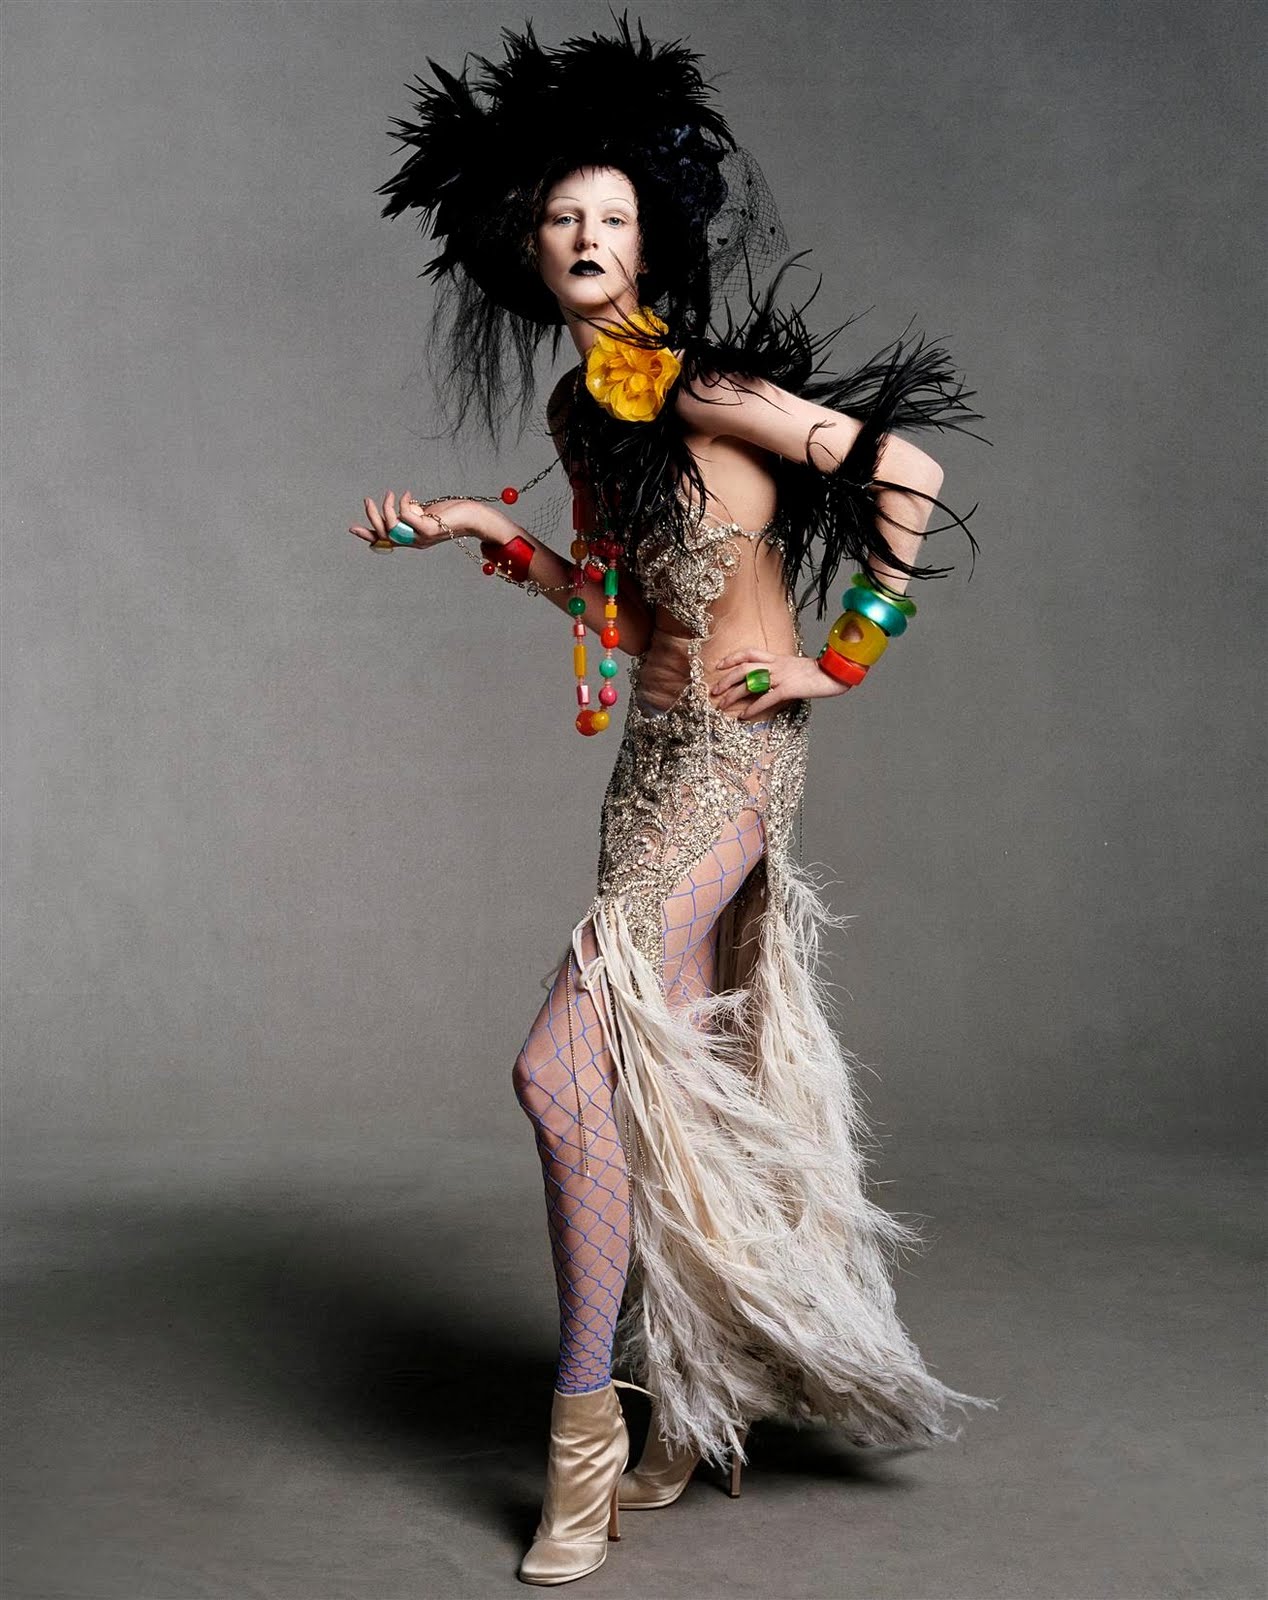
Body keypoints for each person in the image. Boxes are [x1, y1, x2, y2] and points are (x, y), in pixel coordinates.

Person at [349, 15, 993, 1587]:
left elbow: (903, 473)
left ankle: (580, 1440)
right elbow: (623, 611)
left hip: (733, 765)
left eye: (613, 216)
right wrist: (476, 531)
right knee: (654, 1096)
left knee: (559, 1067)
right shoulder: (588, 412)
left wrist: (845, 655)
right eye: (562, 218)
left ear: (652, 239)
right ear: (527, 245)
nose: (585, 237)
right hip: (645, 764)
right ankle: (690, 1405)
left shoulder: (706, 385)